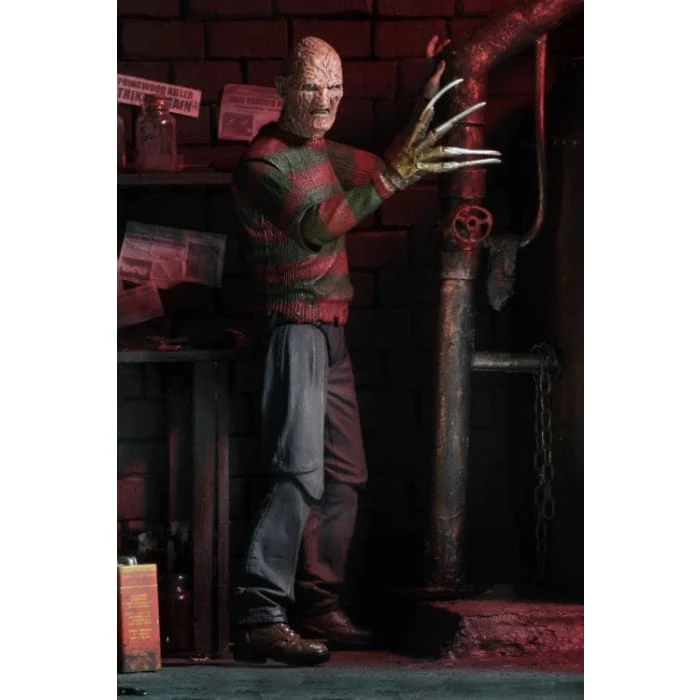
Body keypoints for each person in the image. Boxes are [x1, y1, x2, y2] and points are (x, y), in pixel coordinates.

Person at [230, 35, 500, 667]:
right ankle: (259, 613)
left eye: (335, 89)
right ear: (281, 89)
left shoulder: (322, 151)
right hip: (294, 329)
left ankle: (317, 602)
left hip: (332, 331)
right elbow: (319, 224)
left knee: (345, 475)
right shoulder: (263, 165)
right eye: (310, 87)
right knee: (299, 473)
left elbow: (388, 164)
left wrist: (429, 98)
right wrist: (395, 174)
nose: (324, 101)